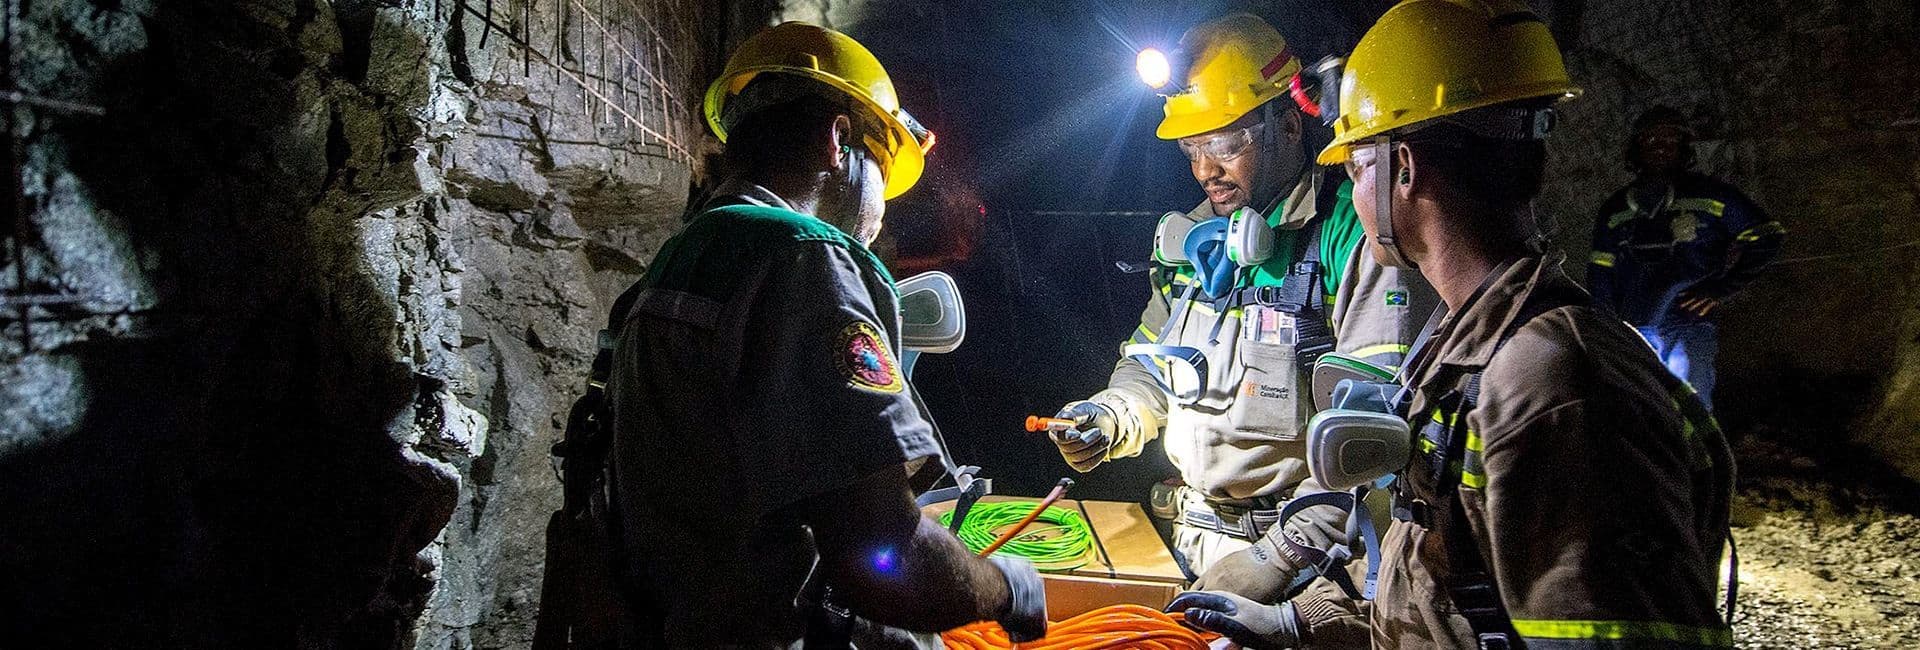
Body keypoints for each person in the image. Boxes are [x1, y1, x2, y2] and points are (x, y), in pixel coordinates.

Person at [1174, 2, 1736, 648]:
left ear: (1403, 169)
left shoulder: (1555, 384)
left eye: (1355, 168)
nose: (1350, 196)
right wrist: (1301, 621)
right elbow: (1441, 560)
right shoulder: (1465, 349)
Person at [602, 22, 1044, 649]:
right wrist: (1004, 587)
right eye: (883, 178)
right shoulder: (803, 256)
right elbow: (885, 560)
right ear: (840, 141)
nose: (882, 209)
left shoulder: (678, 259)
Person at [1049, 9, 1432, 623]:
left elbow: (1375, 440)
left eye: (1225, 143)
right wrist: (1111, 414)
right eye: (1192, 146)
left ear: (1286, 126)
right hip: (1188, 536)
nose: (1205, 169)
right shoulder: (1191, 240)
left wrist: (1275, 561)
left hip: (1308, 558)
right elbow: (1150, 365)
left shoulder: (1350, 236)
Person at [1588, 105, 1785, 410]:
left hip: (1689, 324)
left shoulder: (1713, 196)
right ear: (1637, 147)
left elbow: (1768, 236)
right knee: (1639, 411)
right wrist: (1607, 329)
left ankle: (1698, 459)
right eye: (1652, 140)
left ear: (1684, 146)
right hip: (1634, 329)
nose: (1661, 147)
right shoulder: (1616, 209)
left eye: (1670, 139)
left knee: (1691, 410)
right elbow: (1600, 272)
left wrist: (1722, 287)